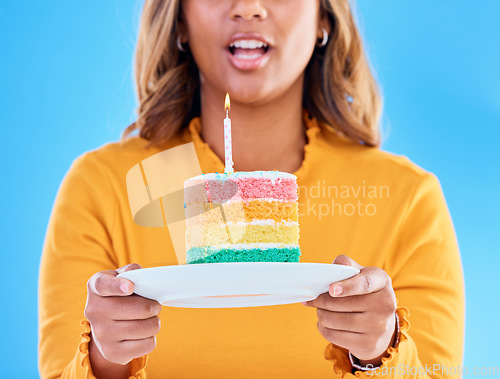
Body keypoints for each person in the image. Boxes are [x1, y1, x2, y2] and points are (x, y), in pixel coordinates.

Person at [38, 0, 464, 378]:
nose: (248, 8)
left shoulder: (406, 197)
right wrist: (107, 358)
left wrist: (376, 353)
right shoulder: (102, 186)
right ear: (179, 20)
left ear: (324, 20)